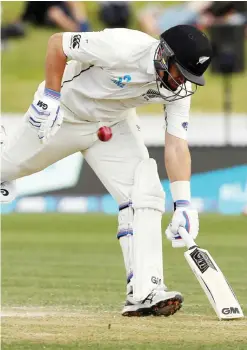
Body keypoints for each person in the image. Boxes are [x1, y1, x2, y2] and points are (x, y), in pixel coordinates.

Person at [1, 25, 212, 317]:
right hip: (64, 114)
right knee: (6, 167)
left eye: (188, 78)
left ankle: (145, 291)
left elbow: (176, 144)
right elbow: (57, 43)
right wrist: (50, 96)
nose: (180, 83)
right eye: (178, 73)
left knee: (145, 191)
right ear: (164, 54)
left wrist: (184, 203)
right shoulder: (123, 46)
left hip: (111, 125)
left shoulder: (179, 89)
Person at [1, 2, 90, 43]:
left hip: (63, 11)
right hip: (47, 16)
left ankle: (84, 28)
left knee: (74, 2)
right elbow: (27, 13)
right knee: (54, 13)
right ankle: (79, 32)